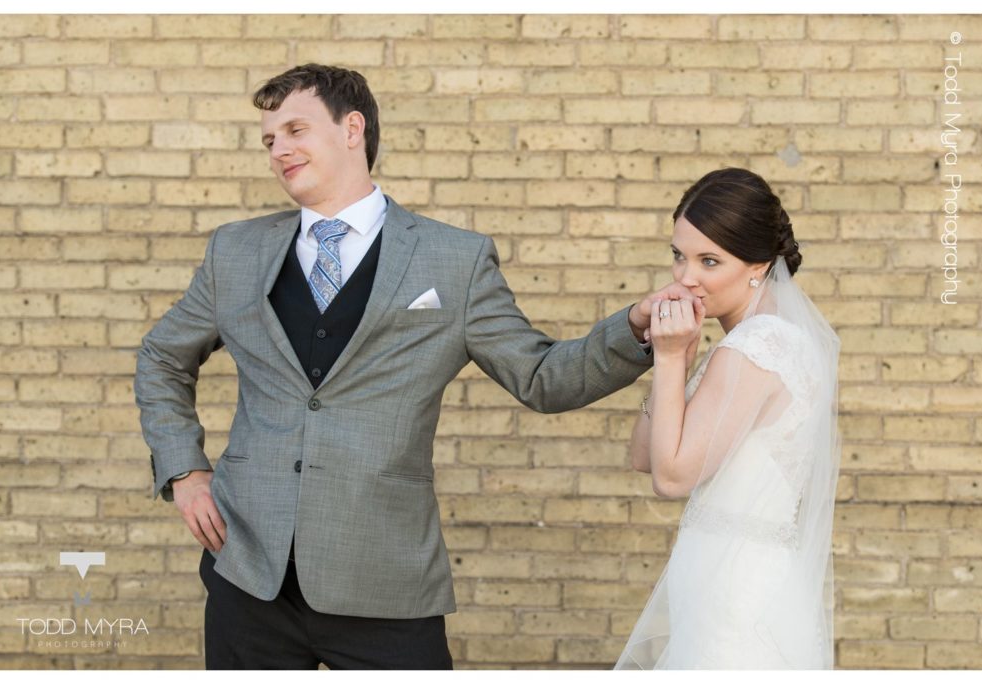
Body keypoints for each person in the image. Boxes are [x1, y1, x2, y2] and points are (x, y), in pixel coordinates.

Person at [134, 63, 666, 670]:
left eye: (295, 130)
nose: (279, 149)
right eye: (269, 140)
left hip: (385, 579)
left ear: (352, 127)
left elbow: (542, 377)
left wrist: (633, 329)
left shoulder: (454, 260)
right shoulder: (236, 249)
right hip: (247, 574)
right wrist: (184, 471)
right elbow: (161, 357)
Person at [614, 168, 842, 669]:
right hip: (724, 577)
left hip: (736, 593)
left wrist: (672, 360)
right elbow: (640, 456)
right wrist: (678, 361)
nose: (684, 277)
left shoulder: (757, 348)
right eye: (679, 255)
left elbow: (670, 478)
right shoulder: (766, 338)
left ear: (758, 265)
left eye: (709, 261)